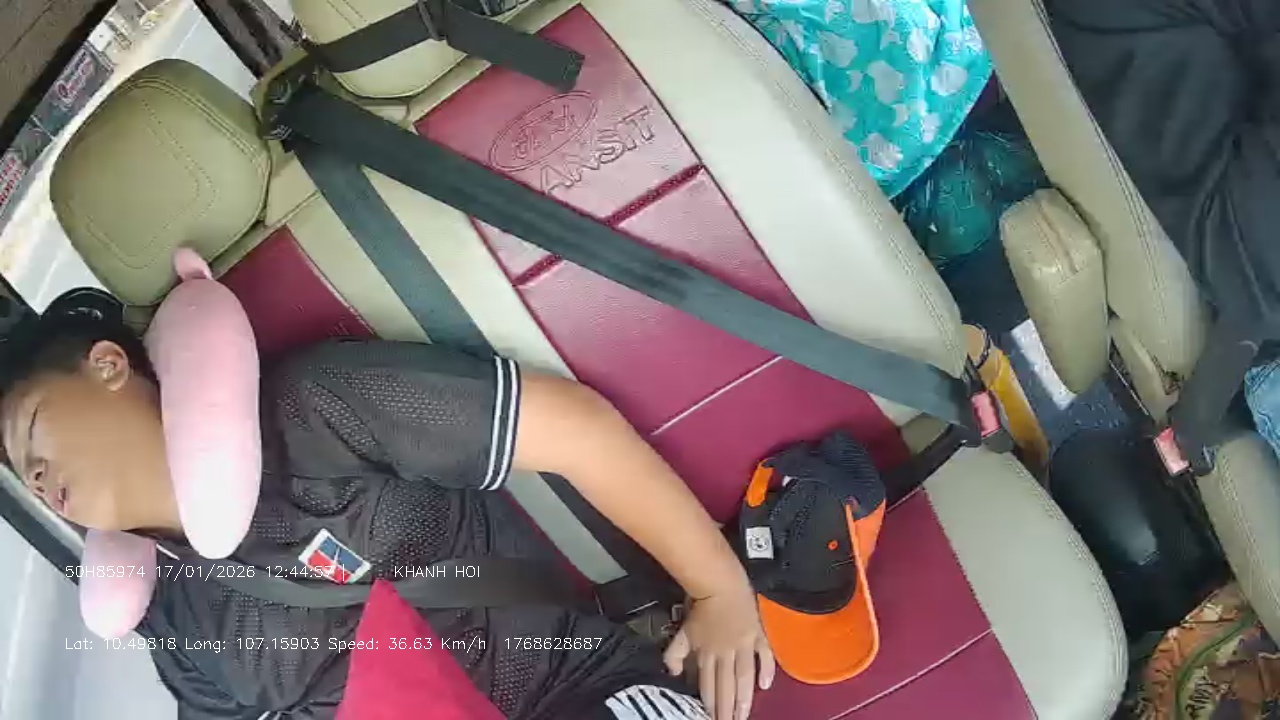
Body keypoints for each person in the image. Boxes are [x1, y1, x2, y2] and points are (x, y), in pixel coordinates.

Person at [0, 305, 775, 720]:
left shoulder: (310, 411)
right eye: (20, 473)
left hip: (568, 688)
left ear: (108, 366)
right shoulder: (174, 616)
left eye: (33, 429)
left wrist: (718, 589)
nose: (34, 474)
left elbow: (575, 430)